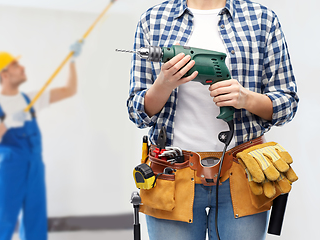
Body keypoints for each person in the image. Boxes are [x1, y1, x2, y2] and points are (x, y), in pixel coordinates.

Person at [127, 0, 298, 239]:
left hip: (242, 173)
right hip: (171, 174)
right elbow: (137, 112)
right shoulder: (153, 19)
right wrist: (164, 84)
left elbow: (287, 103)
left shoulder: (261, 19)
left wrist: (245, 98)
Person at [0, 41, 82, 240]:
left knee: (35, 223)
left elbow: (69, 90)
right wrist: (5, 124)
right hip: (8, 171)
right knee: (0, 222)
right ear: (4, 74)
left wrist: (72, 62)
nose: (22, 67)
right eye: (16, 65)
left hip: (34, 167)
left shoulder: (31, 99)